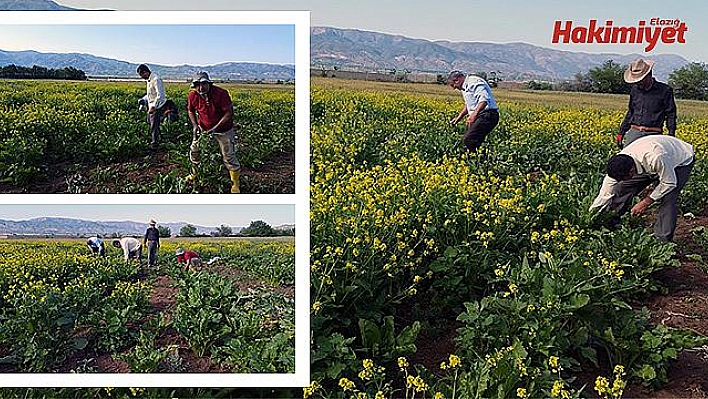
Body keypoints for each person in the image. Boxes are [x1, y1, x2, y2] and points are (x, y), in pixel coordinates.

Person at [589, 135, 694, 242]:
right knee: (622, 187)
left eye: (625, 177)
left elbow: (669, 183)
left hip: (679, 160)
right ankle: (611, 224)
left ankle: (662, 241)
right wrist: (590, 216)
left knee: (668, 198)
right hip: (649, 162)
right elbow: (604, 195)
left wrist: (645, 202)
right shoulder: (618, 164)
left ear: (631, 171)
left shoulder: (656, 157)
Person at [186, 71, 241, 193]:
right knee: (195, 151)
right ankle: (194, 174)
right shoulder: (193, 96)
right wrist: (195, 125)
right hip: (203, 129)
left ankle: (235, 184)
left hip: (223, 130)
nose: (201, 88)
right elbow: (190, 110)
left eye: (204, 84)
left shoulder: (221, 93)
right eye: (197, 85)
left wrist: (215, 128)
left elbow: (228, 113)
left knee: (229, 156)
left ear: (209, 84)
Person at [618, 58, 677, 147]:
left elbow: (671, 114)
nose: (637, 82)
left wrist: (671, 135)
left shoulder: (665, 90)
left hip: (653, 134)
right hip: (634, 132)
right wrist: (621, 132)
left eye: (640, 79)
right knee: (625, 158)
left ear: (648, 75)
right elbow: (631, 112)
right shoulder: (635, 90)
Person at [447, 70, 500, 152]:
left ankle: (479, 160)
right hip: (481, 115)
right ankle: (478, 159)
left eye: (452, 85)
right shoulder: (465, 87)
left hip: (488, 115)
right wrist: (458, 118)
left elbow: (484, 100)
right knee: (472, 140)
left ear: (457, 80)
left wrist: (473, 115)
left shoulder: (473, 82)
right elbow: (469, 105)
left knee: (469, 139)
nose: (454, 88)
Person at [137, 64, 167, 153]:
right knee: (150, 122)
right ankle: (160, 139)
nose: (142, 77)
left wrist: (154, 106)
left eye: (142, 75)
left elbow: (160, 95)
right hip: (151, 106)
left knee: (154, 125)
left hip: (157, 106)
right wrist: (143, 99)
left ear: (145, 72)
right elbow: (151, 94)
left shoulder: (156, 79)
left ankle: (155, 145)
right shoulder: (149, 80)